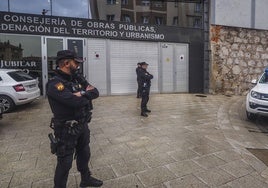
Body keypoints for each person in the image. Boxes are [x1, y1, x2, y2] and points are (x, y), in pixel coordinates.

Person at [46, 50, 103, 188]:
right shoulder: (55, 84)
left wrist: (81, 93)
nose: (78, 66)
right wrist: (83, 94)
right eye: (75, 63)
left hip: (82, 125)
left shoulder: (77, 79)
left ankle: (85, 179)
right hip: (66, 130)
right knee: (65, 163)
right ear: (66, 63)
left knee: (85, 154)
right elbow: (74, 102)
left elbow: (95, 92)